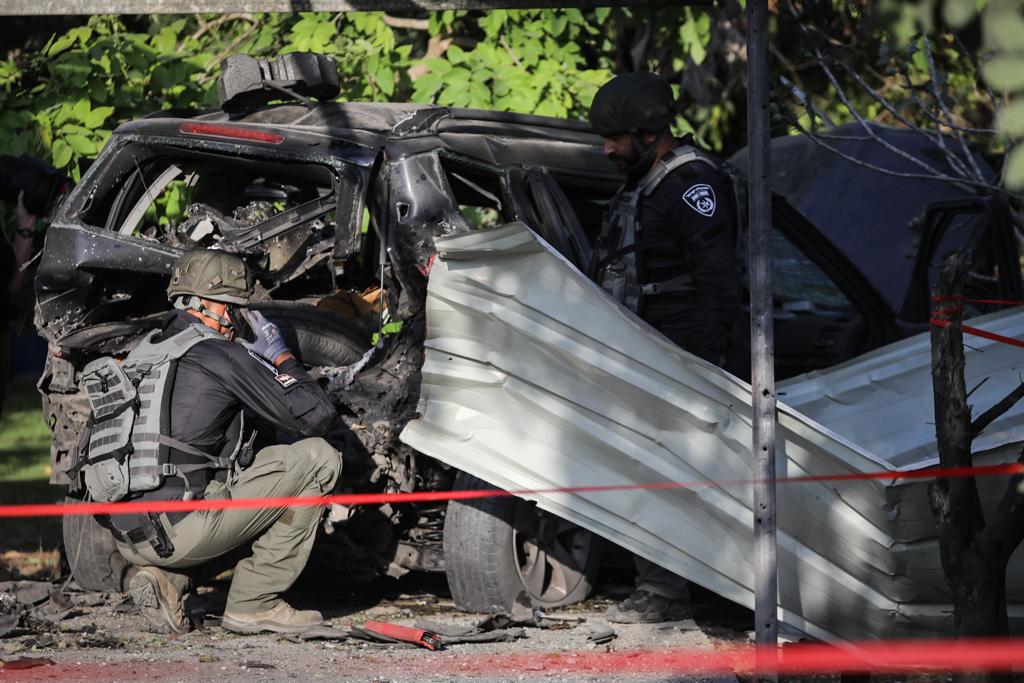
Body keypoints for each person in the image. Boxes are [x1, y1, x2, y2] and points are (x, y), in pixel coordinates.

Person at [104, 248, 342, 635]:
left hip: (130, 534)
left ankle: (168, 581)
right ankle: (255, 602)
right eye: (237, 306)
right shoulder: (218, 353)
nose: (240, 317)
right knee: (318, 459)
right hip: (177, 532)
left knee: (222, 479)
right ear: (211, 303)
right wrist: (280, 356)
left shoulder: (145, 349)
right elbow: (315, 415)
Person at [588, 72, 741, 623]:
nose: (607, 149)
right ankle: (662, 586)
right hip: (645, 350)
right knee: (644, 469)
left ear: (651, 134)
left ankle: (667, 592)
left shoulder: (691, 185)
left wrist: (696, 368)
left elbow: (718, 282)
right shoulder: (644, 180)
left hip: (681, 353)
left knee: (668, 473)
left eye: (616, 138)